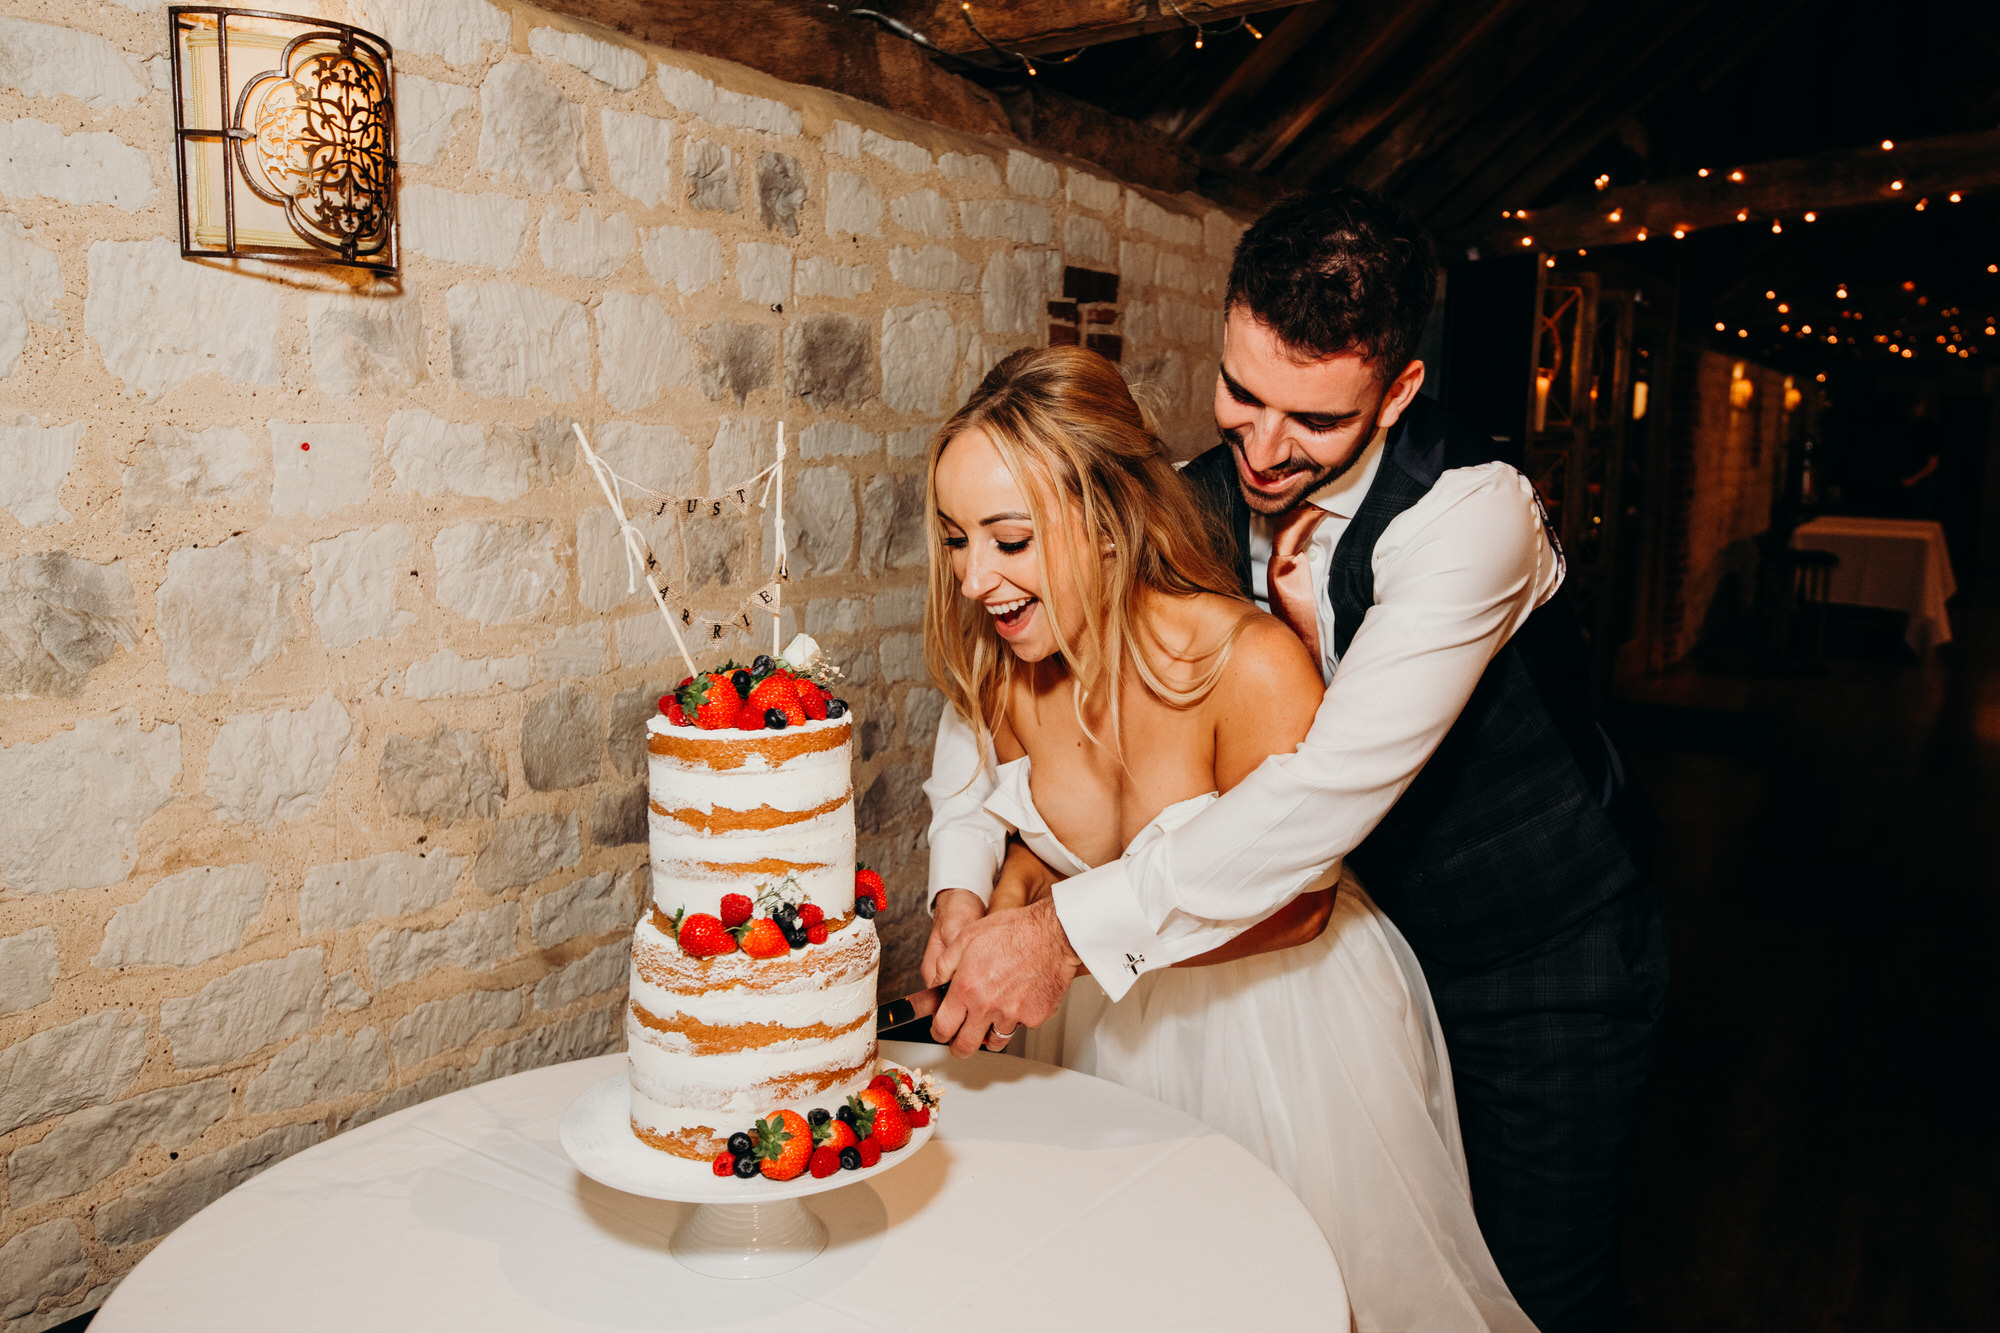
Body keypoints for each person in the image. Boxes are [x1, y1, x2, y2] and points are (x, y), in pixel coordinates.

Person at [926, 189, 1667, 1333]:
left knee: (1524, 1288)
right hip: (1296, 959)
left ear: (1397, 391)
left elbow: (1317, 800)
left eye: (1314, 421)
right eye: (1240, 394)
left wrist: (1060, 927)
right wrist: (973, 864)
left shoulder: (1472, 518)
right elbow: (1012, 664)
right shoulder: (1190, 496)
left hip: (1531, 955)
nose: (1263, 452)